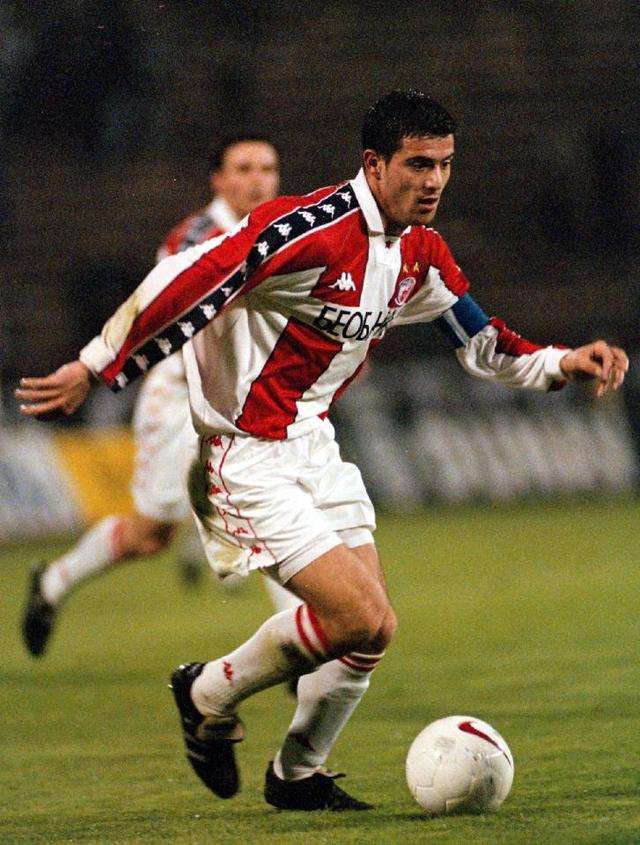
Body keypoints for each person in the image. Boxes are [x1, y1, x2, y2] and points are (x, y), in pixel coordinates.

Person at [17, 90, 628, 811]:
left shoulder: (420, 253)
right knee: (355, 617)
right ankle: (206, 692)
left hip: (313, 444)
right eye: (418, 164)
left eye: (444, 164)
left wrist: (562, 361)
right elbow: (186, 278)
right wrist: (96, 364)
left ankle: (296, 773)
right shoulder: (305, 230)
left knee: (374, 629)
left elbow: (482, 341)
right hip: (245, 454)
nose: (434, 180)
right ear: (374, 164)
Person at [21, 133, 299, 659]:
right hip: (181, 399)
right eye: (243, 169)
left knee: (270, 510)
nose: (258, 180)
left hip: (246, 401)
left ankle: (303, 646)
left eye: (267, 168)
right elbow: (172, 315)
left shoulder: (286, 230)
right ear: (218, 179)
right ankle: (55, 579)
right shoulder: (194, 238)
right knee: (150, 535)